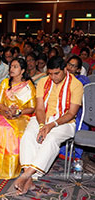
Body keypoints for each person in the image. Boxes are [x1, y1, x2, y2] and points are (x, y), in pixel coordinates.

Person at [15, 56, 83, 195]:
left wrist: (51, 125)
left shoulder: (76, 85)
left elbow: (71, 114)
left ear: (65, 69)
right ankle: (29, 181)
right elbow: (39, 108)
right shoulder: (43, 82)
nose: (53, 77)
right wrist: (42, 126)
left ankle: (26, 176)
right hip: (42, 118)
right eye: (50, 74)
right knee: (28, 136)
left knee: (51, 139)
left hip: (64, 122)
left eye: (56, 73)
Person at [0, 58, 36, 180]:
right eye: (11, 66)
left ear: (23, 70)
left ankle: (8, 167)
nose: (12, 69)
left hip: (22, 116)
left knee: (9, 130)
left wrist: (18, 112)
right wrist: (7, 110)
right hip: (4, 113)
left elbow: (31, 108)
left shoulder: (28, 86)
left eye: (15, 67)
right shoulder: (5, 82)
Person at [59, 55, 90, 160]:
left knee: (79, 119)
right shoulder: (61, 77)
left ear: (78, 69)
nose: (69, 68)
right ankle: (60, 151)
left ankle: (77, 154)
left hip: (78, 108)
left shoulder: (83, 80)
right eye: (68, 64)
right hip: (62, 107)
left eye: (73, 66)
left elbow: (85, 100)